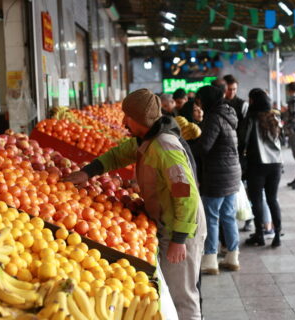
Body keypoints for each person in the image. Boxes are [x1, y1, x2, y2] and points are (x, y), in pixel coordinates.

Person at [64, 89, 206, 320]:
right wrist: (87, 172)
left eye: (127, 116)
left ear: (140, 119)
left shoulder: (165, 146)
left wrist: (180, 239)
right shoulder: (147, 140)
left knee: (183, 297)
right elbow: (119, 155)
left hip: (182, 228)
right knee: (172, 291)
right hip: (168, 224)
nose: (123, 121)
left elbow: (185, 193)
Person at [192, 86, 241, 275]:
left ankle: (211, 260)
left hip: (217, 174)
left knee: (211, 217)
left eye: (201, 101)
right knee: (228, 216)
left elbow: (205, 146)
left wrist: (186, 150)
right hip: (231, 172)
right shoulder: (228, 113)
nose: (200, 105)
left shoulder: (214, 117)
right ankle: (232, 257)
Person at [240, 89, 282, 247]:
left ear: (252, 101)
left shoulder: (251, 118)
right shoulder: (275, 116)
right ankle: (277, 234)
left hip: (257, 164)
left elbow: (243, 140)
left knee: (257, 200)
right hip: (276, 164)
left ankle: (260, 234)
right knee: (272, 199)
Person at [223, 74, 252, 232]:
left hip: (239, 151)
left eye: (234, 89)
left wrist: (242, 148)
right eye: (229, 89)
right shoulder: (219, 104)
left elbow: (245, 129)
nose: (231, 92)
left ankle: (248, 217)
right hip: (227, 151)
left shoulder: (241, 105)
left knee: (243, 186)